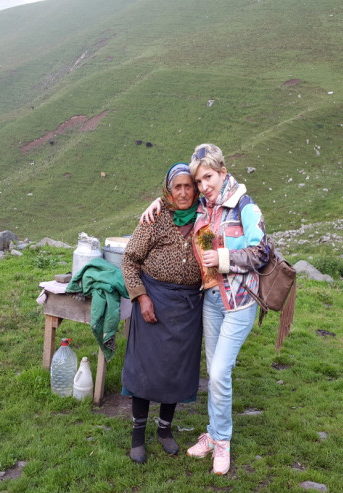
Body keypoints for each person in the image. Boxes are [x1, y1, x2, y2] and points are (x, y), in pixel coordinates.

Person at [141, 143, 269, 475]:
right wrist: (157, 202)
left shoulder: (245, 206)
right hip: (211, 301)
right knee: (214, 374)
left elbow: (261, 253)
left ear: (223, 172)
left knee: (220, 372)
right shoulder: (204, 205)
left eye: (208, 177)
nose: (203, 186)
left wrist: (223, 258)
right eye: (199, 181)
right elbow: (177, 197)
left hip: (239, 302)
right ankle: (212, 434)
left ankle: (222, 442)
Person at [120, 162, 204, 464]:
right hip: (153, 302)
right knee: (146, 370)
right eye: (176, 187)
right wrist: (141, 297)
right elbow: (129, 260)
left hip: (188, 307)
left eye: (187, 186)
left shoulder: (205, 219)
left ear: (195, 189)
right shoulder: (154, 218)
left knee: (176, 371)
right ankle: (137, 436)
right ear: (168, 190)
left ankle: (165, 431)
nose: (182, 193)